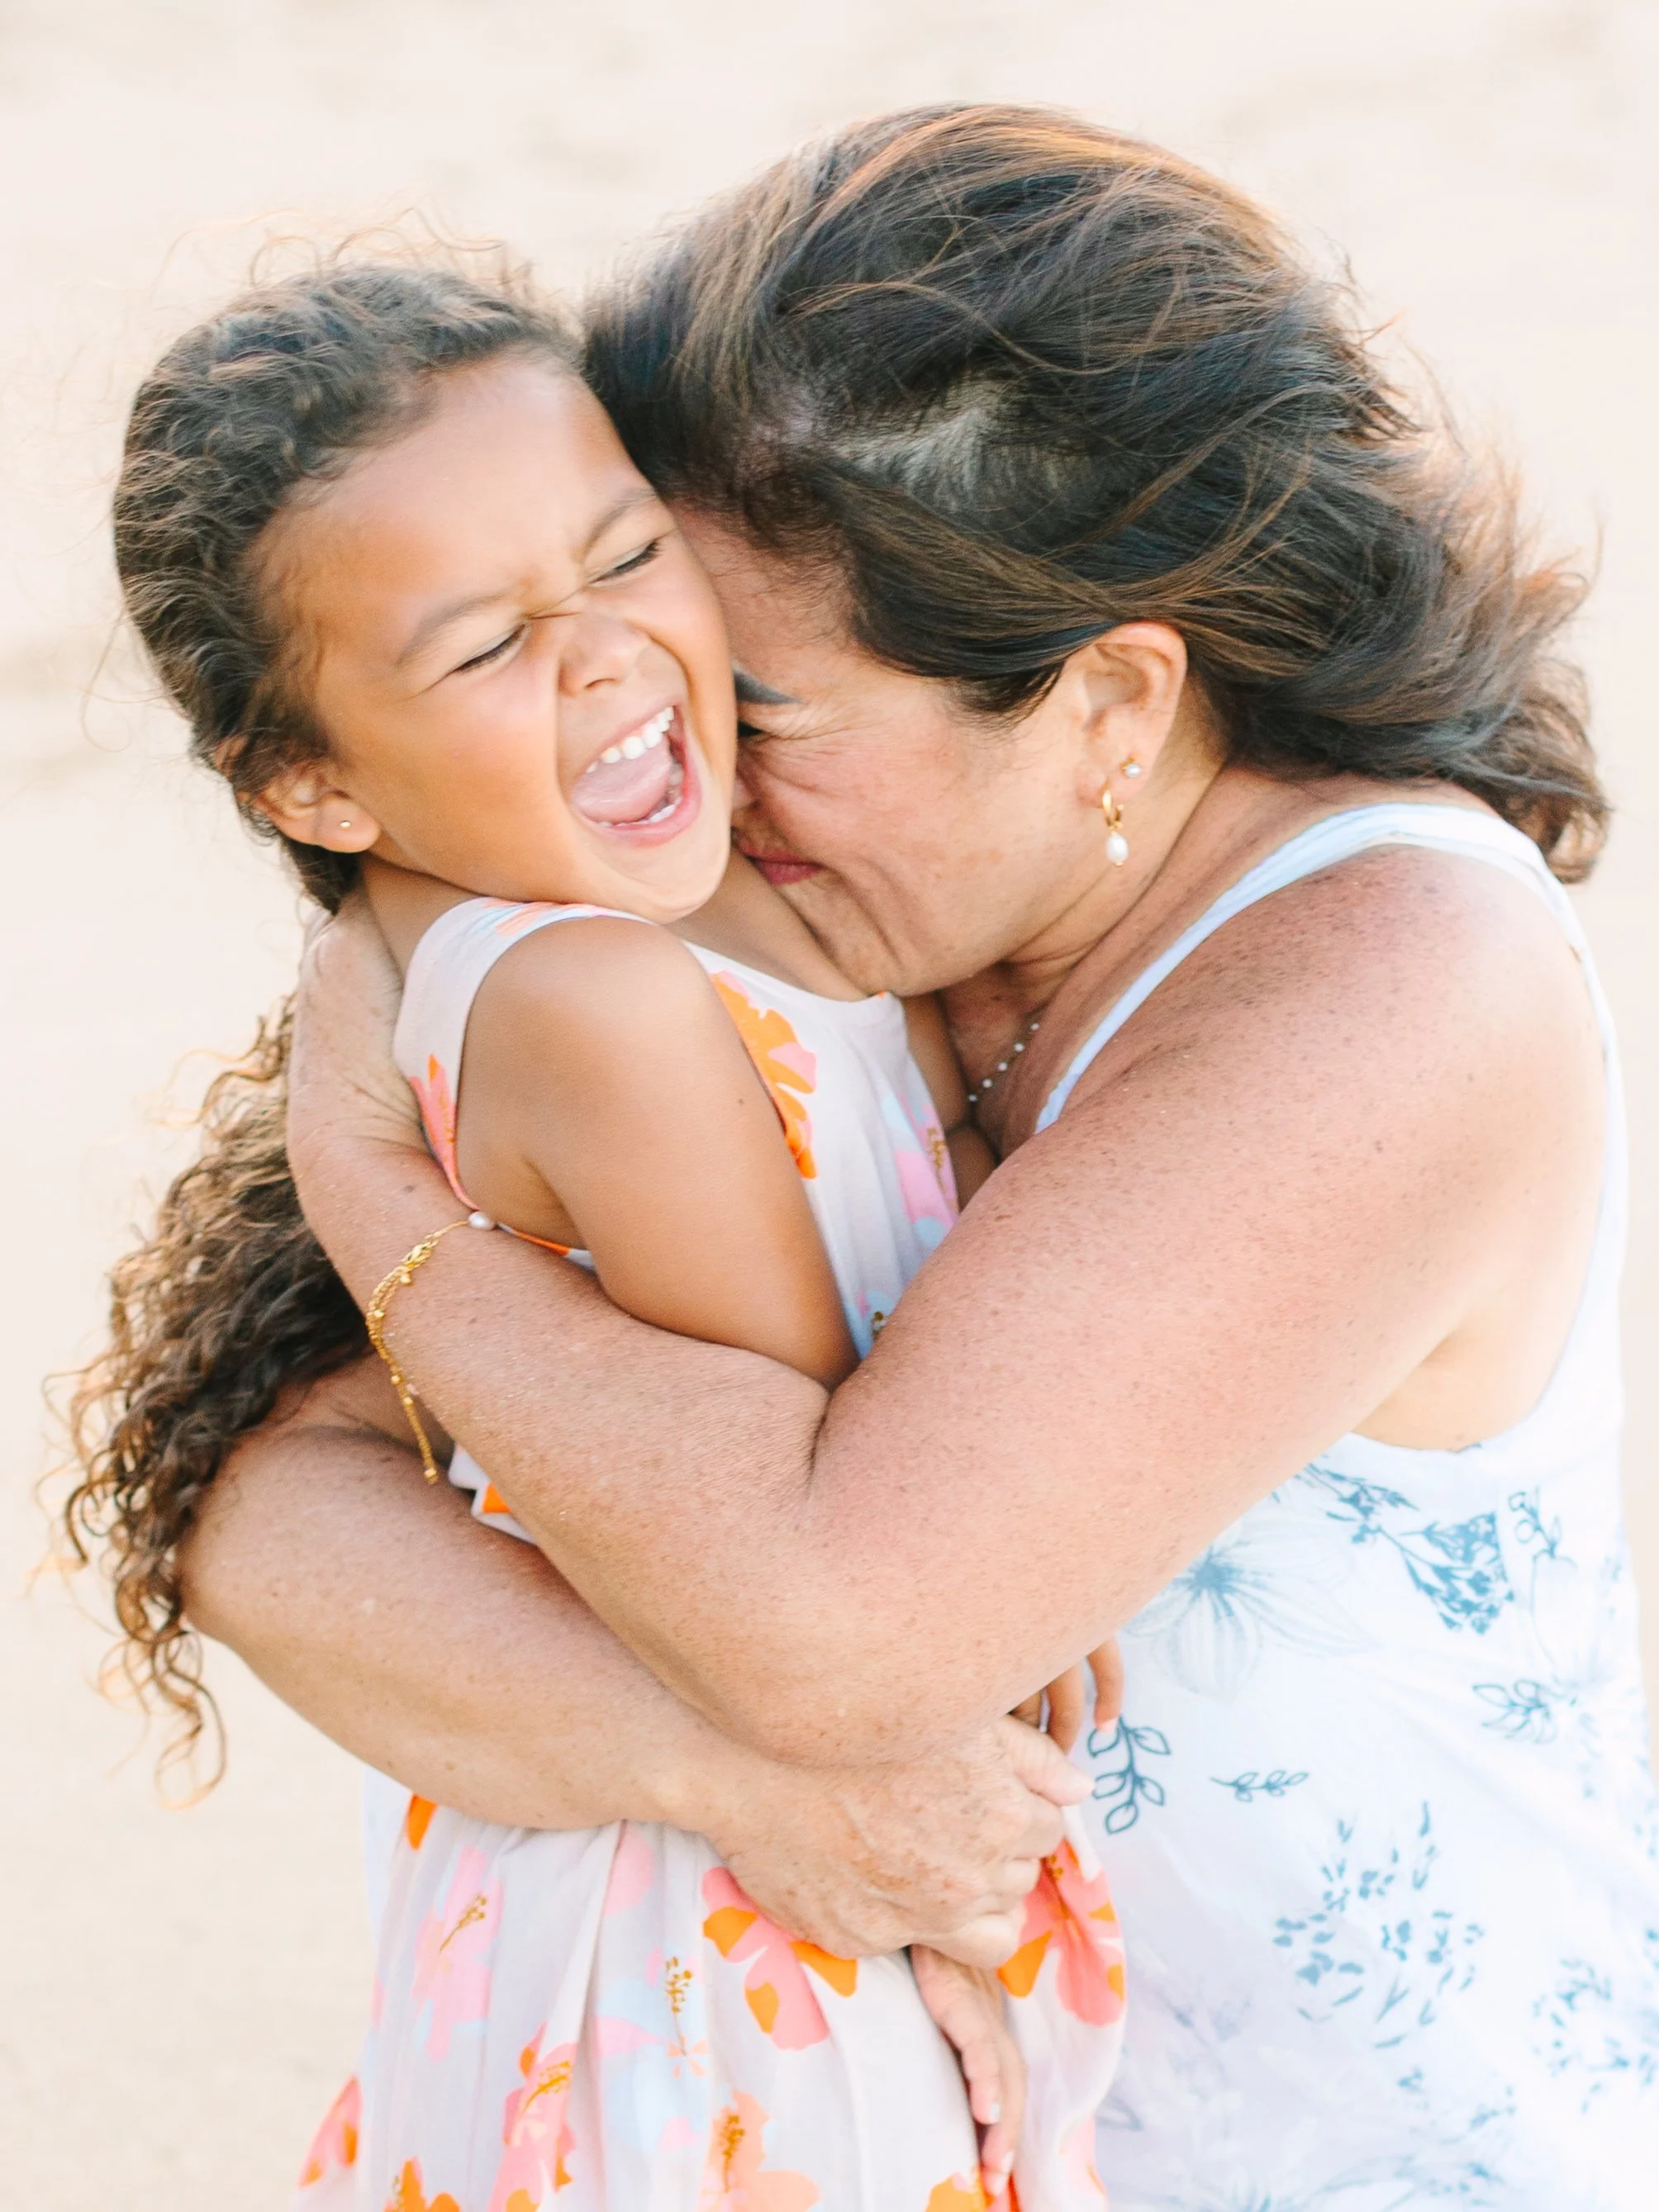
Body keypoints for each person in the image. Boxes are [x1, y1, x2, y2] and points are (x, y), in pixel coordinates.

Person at [70, 107, 1659, 2205]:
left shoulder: (1388, 982)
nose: (688, 763)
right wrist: (713, 1766)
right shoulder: (838, 926)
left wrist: (390, 1197)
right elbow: (256, 1503)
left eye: (768, 708)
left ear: (1105, 701)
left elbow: (832, 1629)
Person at [93, 259, 1129, 2209]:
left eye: (624, 551)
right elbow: (833, 1545)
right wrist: (951, 1949)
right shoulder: (604, 1011)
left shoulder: (638, 917)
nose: (605, 656)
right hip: (742, 1935)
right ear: (310, 779)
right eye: (484, 645)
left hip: (651, 1853)